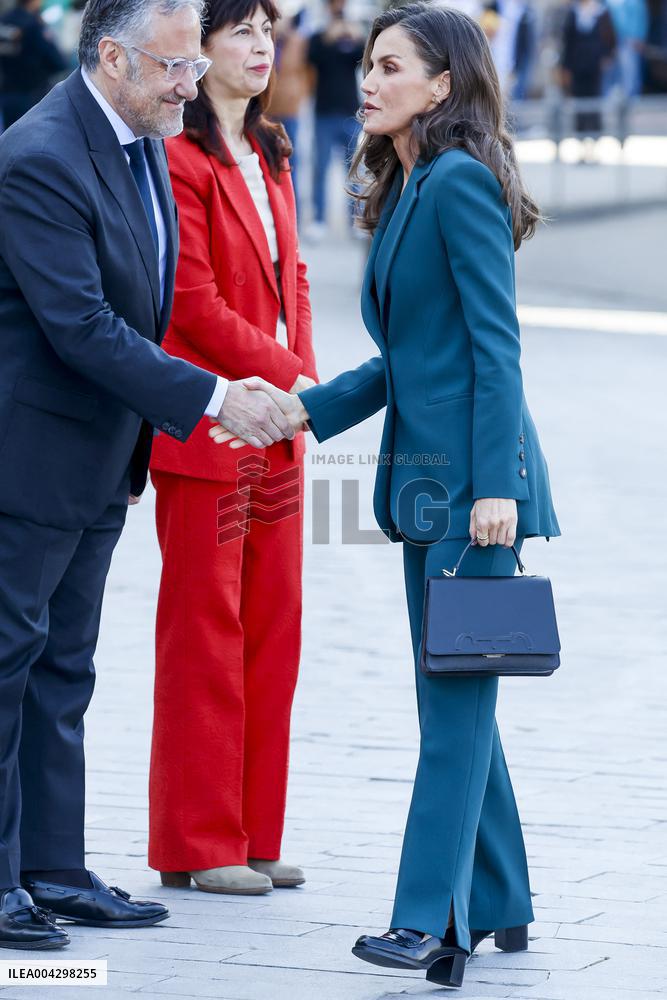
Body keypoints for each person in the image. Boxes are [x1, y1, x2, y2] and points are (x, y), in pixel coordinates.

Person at [213, 2, 560, 988]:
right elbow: (406, 357)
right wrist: (301, 411)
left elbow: (497, 348)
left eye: (391, 66)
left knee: (451, 705)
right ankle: (499, 900)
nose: (366, 79)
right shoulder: (407, 184)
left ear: (442, 84)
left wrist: (496, 488)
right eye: (366, 64)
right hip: (424, 486)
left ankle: (423, 923)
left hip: (475, 496)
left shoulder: (456, 185)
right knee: (454, 690)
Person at [0, 0, 296, 951]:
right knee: (9, 669)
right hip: (30, 458)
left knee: (63, 670)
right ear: (114, 57)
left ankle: (50, 868)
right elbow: (82, 326)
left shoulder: (140, 137)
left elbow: (151, 296)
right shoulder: (40, 156)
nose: (188, 82)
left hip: (97, 457)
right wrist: (215, 399)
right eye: (172, 67)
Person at [148, 0, 318, 897]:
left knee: (273, 626)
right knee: (204, 633)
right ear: (199, 48)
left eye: (267, 30)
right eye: (241, 31)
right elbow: (191, 304)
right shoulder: (175, 157)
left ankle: (254, 832)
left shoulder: (274, 151)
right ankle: (198, 841)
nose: (261, 47)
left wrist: (304, 390)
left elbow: (292, 280)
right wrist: (296, 380)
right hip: (211, 424)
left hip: (280, 424)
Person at [306, 0, 364, 239]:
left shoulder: (352, 35)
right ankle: (319, 220)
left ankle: (355, 220)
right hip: (324, 113)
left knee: (353, 169)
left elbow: (363, 58)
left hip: (351, 111)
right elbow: (312, 58)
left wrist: (356, 36)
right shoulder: (319, 37)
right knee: (321, 168)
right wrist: (328, 37)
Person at [269, 3, 310, 215]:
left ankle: (294, 213)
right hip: (266, 109)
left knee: (291, 163)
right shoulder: (268, 40)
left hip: (290, 110)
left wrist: (299, 94)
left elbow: (309, 72)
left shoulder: (298, 42)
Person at [0, 0, 68, 129]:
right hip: (32, 93)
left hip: (7, 91)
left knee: (8, 137)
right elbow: (54, 58)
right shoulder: (33, 24)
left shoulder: (4, 20)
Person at [560, 0, 617, 136]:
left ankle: (595, 135)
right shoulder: (573, 12)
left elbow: (610, 37)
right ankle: (581, 135)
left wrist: (607, 56)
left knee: (595, 98)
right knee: (579, 99)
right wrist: (565, 67)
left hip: (595, 64)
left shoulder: (601, 12)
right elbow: (568, 41)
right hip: (577, 64)